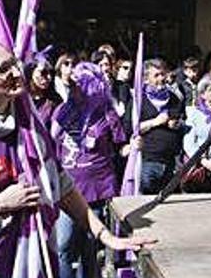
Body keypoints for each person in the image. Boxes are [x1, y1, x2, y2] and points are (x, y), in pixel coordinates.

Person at [0, 40, 154, 277]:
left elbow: (62, 185)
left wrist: (106, 236)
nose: (16, 72)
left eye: (14, 63)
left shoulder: (29, 123)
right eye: (4, 70)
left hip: (40, 262)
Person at [48, 62, 127, 278]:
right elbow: (50, 144)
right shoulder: (62, 110)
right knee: (64, 246)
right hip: (67, 190)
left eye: (77, 85)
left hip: (98, 189)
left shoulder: (107, 112)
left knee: (91, 249)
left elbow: (121, 147)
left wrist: (135, 146)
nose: (72, 89)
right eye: (72, 85)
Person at [123, 58, 184, 195]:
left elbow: (180, 121)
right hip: (148, 162)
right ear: (146, 79)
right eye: (156, 75)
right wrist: (155, 122)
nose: (161, 78)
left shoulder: (173, 98)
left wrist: (177, 124)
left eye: (163, 74)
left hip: (170, 163)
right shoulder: (138, 100)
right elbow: (129, 128)